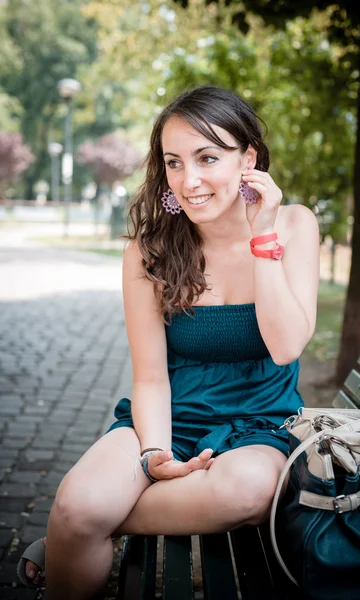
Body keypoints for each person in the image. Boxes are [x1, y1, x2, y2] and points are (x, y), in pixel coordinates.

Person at [17, 84, 320, 599]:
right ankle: (78, 524)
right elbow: (151, 377)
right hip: (166, 418)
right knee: (73, 505)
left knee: (246, 491)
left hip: (259, 424)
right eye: (174, 163)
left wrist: (262, 234)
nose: (189, 180)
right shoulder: (149, 250)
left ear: (248, 159)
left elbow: (287, 346)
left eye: (207, 158)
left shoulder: (293, 225)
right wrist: (155, 452)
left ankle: (85, 530)